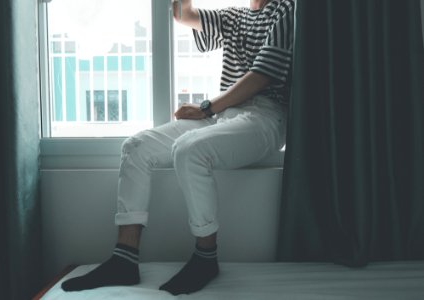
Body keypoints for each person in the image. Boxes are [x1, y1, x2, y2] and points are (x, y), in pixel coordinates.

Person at [61, 0, 295, 295]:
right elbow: (184, 14)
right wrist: (213, 112)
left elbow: (262, 75)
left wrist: (207, 108)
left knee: (188, 149)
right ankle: (124, 258)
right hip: (225, 115)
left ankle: (206, 257)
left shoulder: (286, 8)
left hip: (265, 116)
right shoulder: (235, 16)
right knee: (136, 147)